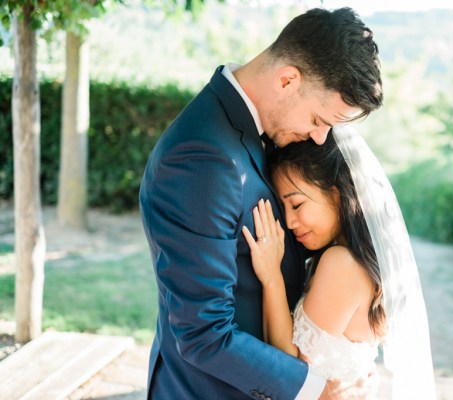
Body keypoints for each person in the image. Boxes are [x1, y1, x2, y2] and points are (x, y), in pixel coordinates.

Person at [138, 7, 383, 400]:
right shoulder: (202, 157)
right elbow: (203, 333)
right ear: (288, 79)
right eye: (321, 119)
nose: (321, 139)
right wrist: (317, 390)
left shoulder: (260, 131)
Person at [243, 126, 437, 399]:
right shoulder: (356, 260)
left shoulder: (341, 263)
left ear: (336, 195)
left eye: (296, 205)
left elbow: (291, 368)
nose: (288, 222)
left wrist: (271, 275)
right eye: (283, 209)